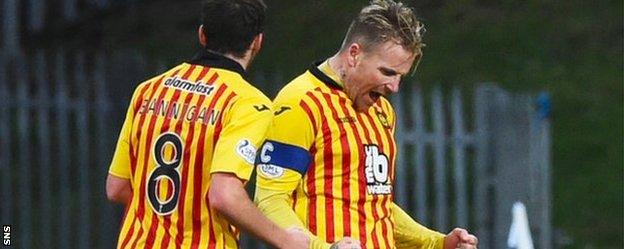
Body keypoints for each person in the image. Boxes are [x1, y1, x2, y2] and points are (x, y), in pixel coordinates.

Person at [253, 0, 479, 249]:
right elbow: (270, 200)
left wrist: (437, 242)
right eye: (387, 73)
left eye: (400, 76)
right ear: (354, 55)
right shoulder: (301, 102)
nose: (394, 87)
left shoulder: (381, 110)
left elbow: (375, 203)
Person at [105, 0, 310, 248]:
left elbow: (116, 188)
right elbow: (225, 195)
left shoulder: (149, 89)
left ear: (202, 34)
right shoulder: (246, 103)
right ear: (257, 42)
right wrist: (284, 239)